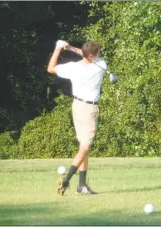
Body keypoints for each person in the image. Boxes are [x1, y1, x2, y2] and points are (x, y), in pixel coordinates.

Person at [47, 40, 107, 195]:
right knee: (86, 147)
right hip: (88, 109)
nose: (100, 54)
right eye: (98, 52)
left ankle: (82, 186)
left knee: (83, 147)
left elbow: (50, 68)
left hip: (77, 107)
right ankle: (66, 180)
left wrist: (59, 48)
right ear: (93, 55)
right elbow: (84, 53)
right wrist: (71, 48)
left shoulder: (73, 67)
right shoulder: (101, 65)